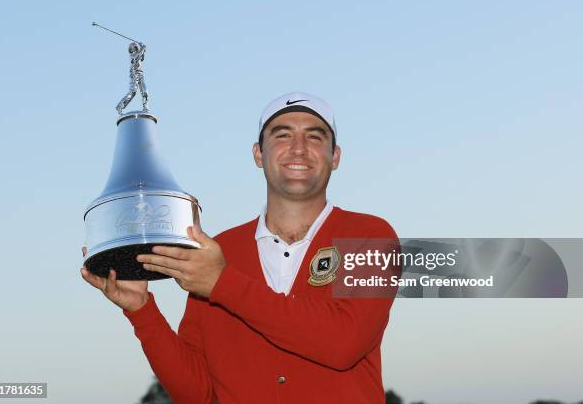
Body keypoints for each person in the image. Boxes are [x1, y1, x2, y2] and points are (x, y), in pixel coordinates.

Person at [81, 92, 399, 403]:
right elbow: (198, 393)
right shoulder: (218, 252)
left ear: (336, 157)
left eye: (315, 138)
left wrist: (222, 283)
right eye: (282, 136)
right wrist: (141, 310)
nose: (299, 149)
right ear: (258, 154)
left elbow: (343, 344)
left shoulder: (371, 235)